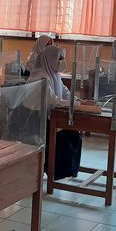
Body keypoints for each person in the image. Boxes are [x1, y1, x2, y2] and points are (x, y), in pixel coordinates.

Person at [27, 45, 82, 180]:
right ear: (50, 59)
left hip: (50, 119)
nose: (62, 61)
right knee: (64, 140)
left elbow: (65, 93)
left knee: (74, 134)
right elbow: (53, 101)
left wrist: (78, 101)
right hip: (37, 123)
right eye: (59, 58)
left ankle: (65, 171)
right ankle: (53, 171)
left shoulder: (55, 75)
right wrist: (74, 104)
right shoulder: (40, 78)